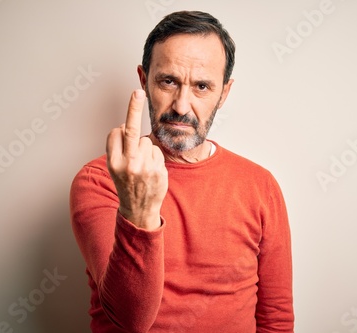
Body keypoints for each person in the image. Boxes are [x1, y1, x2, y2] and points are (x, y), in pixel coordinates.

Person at [70, 10, 294, 333]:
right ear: (144, 80)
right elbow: (130, 319)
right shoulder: (100, 181)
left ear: (223, 94)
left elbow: (276, 320)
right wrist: (138, 209)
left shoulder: (261, 186)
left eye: (202, 86)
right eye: (168, 81)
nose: (181, 105)